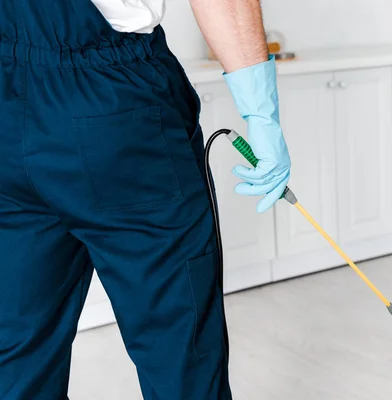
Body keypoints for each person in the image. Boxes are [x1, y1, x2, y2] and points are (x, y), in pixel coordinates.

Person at [0, 0, 291, 398]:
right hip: (113, 103)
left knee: (17, 353)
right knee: (178, 351)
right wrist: (262, 114)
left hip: (8, 102)